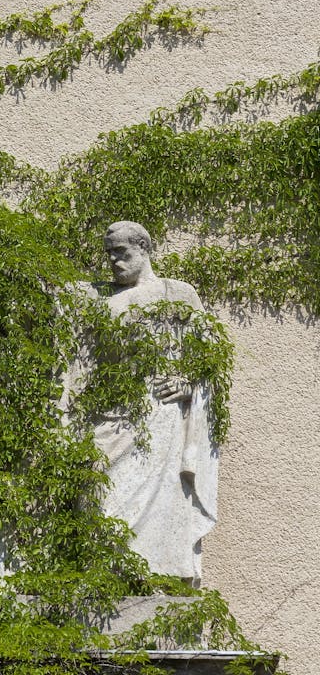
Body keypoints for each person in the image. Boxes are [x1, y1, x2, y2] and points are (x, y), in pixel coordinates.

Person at [92, 220, 218, 585]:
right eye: (109, 253)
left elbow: (209, 358)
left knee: (162, 498)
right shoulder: (99, 298)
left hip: (160, 412)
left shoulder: (176, 294)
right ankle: (108, 578)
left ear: (144, 249)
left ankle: (157, 577)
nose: (114, 261)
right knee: (101, 490)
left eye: (122, 252)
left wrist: (189, 384)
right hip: (110, 414)